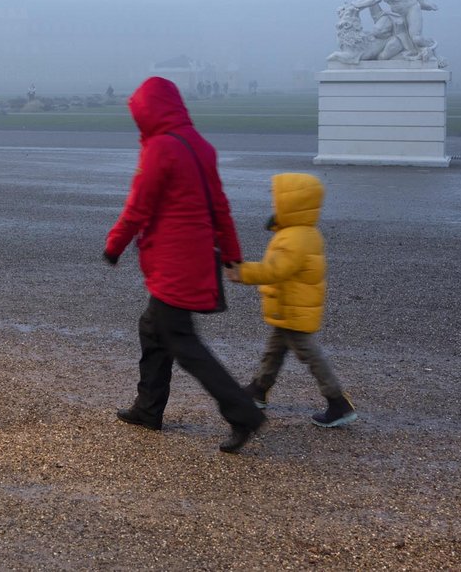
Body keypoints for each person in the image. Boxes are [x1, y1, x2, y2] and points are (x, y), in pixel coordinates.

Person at [103, 76, 265, 453]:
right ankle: (148, 408)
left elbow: (138, 207)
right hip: (193, 259)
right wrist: (231, 252)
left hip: (173, 264)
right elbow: (219, 205)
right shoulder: (200, 146)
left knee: (183, 342)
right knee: (153, 329)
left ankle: (243, 413)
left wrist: (114, 245)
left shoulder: (160, 148)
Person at [226, 173, 357, 428]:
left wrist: (242, 272)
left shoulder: (294, 237)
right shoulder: (302, 232)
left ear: (293, 204)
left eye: (278, 202)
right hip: (290, 307)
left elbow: (276, 269)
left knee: (310, 355)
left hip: (293, 309)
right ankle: (258, 389)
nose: (274, 205)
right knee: (274, 351)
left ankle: (337, 402)